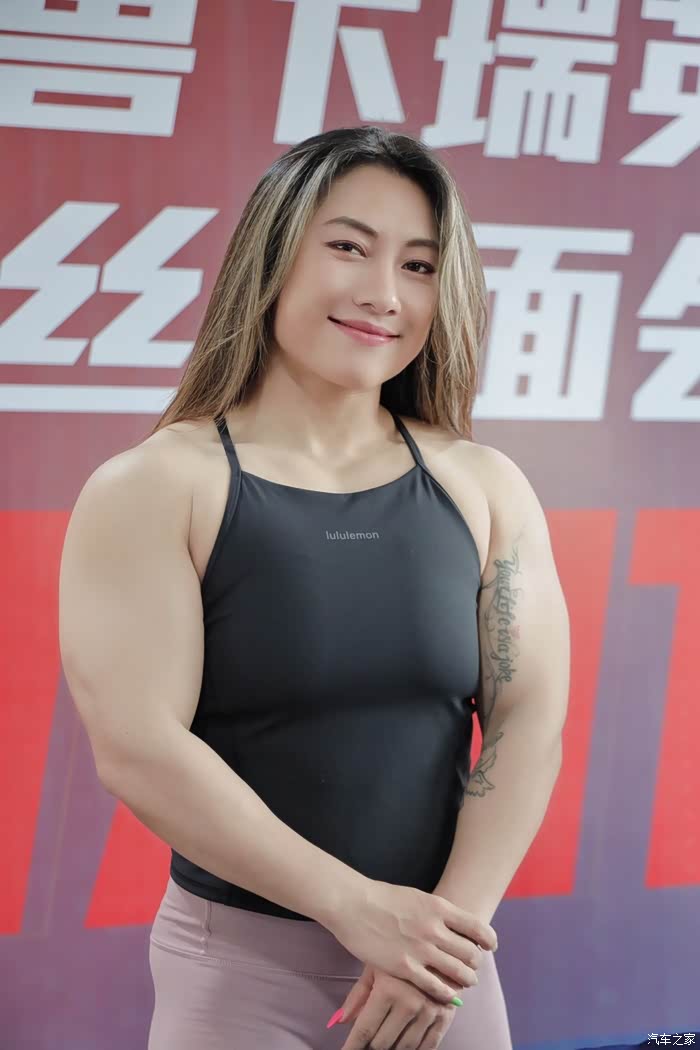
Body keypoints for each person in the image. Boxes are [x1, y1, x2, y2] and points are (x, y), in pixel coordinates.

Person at [58, 125, 567, 1050]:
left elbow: (528, 720)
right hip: (239, 976)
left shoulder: (484, 485)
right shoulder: (156, 486)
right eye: (349, 247)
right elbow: (138, 748)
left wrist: (440, 940)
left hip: (438, 972)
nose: (384, 294)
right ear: (273, 253)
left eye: (419, 266)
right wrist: (357, 908)